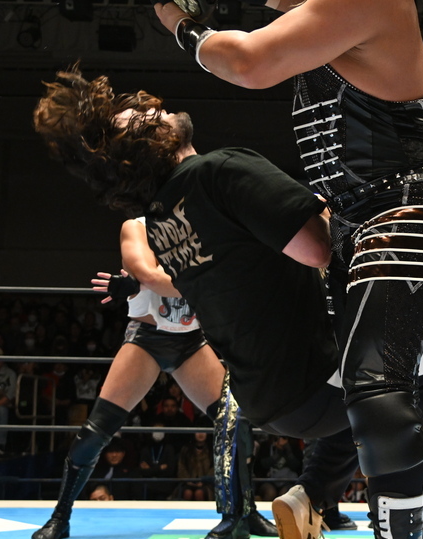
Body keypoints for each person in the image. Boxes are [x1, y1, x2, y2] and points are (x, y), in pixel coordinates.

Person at [137, 0, 423, 535]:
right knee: (373, 386)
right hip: (356, 217)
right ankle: (418, 521)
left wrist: (181, 25)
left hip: (403, 207)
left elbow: (248, 62)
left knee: (375, 388)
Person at [32, 69, 423, 539]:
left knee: (370, 382)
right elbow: (319, 250)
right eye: (141, 114)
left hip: (265, 400)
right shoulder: (221, 170)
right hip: (312, 382)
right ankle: (416, 506)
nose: (154, 105)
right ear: (144, 143)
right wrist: (348, 209)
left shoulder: (161, 220)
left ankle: (314, 491)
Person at [30, 213, 278, 539]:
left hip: (191, 341)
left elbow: (225, 270)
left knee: (235, 422)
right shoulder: (137, 227)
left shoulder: (206, 224)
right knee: (95, 431)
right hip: (147, 340)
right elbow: (148, 273)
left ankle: (245, 512)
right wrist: (180, 280)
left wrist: (155, 282)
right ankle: (59, 518)